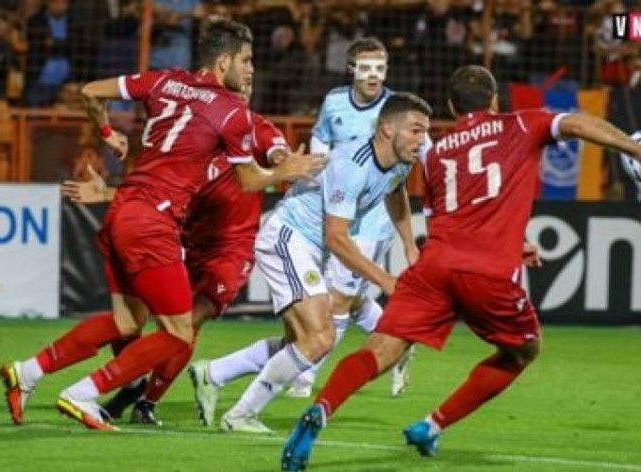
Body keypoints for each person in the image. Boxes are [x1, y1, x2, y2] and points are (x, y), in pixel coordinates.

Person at [280, 65, 641, 472]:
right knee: (523, 351)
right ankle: (432, 425)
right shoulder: (520, 124)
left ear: (451, 107)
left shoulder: (437, 154)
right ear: (495, 100)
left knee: (380, 350)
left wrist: (512, 241)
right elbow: (579, 124)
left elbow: (450, 218)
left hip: (435, 268)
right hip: (487, 273)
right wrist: (639, 151)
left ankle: (322, 408)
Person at [0, 19, 324, 431]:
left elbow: (90, 91)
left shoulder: (165, 81)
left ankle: (27, 372)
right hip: (155, 222)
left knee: (126, 323)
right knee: (177, 331)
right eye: (246, 61)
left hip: (128, 211)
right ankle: (85, 393)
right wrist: (286, 171)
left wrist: (107, 133)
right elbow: (249, 180)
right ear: (224, 61)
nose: (250, 70)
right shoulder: (231, 113)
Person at [60, 85, 292, 425]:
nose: (243, 88)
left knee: (187, 322)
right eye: (238, 82)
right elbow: (160, 188)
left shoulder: (256, 128)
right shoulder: (198, 132)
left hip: (230, 249)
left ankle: (145, 401)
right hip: (183, 236)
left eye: (249, 82)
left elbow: (278, 153)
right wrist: (109, 193)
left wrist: (285, 161)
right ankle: (129, 385)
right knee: (135, 318)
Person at [200, 92, 430, 434]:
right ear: (387, 129)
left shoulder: (401, 161)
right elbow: (337, 237)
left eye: (424, 131)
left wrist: (410, 245)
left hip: (310, 247)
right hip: (287, 238)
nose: (422, 139)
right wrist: (385, 280)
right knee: (321, 337)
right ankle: (241, 414)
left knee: (304, 342)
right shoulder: (352, 166)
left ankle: (214, 373)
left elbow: (394, 192)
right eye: (415, 130)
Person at [293, 36, 418, 398]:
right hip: (341, 209)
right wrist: (317, 174)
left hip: (374, 219)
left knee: (338, 298)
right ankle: (401, 343)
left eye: (381, 67)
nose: (374, 75)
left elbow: (412, 165)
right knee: (355, 296)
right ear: (351, 69)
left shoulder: (396, 110)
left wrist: (409, 242)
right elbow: (320, 137)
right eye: (366, 67)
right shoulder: (334, 101)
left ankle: (304, 377)